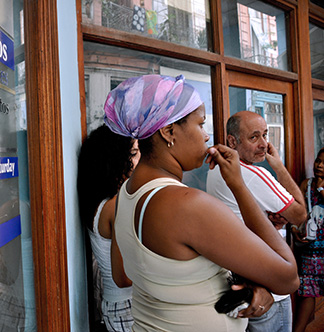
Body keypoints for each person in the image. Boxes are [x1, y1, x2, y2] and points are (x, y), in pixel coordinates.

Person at [104, 74, 299, 332]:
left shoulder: (127, 195)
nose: (207, 137)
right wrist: (239, 186)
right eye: (200, 124)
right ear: (168, 131)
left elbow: (141, 276)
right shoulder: (187, 205)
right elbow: (288, 277)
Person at [206, 110, 307, 332]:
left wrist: (268, 219)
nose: (264, 144)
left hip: (244, 283)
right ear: (232, 141)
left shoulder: (216, 170)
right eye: (254, 137)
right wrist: (278, 165)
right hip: (271, 292)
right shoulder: (253, 174)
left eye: (265, 135)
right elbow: (300, 215)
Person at [77, 125, 140, 332]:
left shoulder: (102, 203)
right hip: (128, 307)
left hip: (119, 306)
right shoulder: (115, 205)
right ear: (116, 160)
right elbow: (123, 278)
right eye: (134, 153)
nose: (140, 160)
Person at [293, 147, 324, 332]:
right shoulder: (307, 184)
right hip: (311, 250)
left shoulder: (318, 188)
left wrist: (322, 190)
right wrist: (296, 229)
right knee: (307, 293)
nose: (319, 165)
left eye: (323, 162)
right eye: (318, 161)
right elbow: (298, 212)